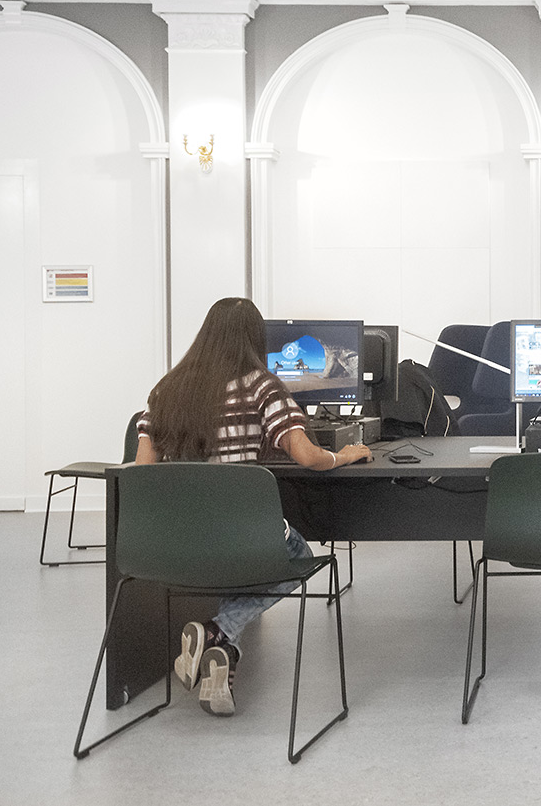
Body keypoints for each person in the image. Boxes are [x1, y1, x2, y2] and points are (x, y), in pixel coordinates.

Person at [134, 296, 372, 716]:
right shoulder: (262, 387)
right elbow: (307, 456)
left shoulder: (167, 390)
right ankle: (218, 631)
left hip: (178, 539)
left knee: (243, 560)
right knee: (298, 556)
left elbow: (143, 473)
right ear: (254, 340)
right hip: (240, 535)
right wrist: (346, 455)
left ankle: (222, 648)